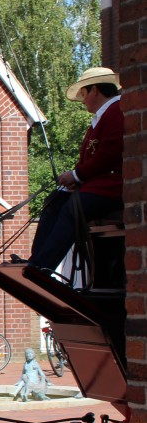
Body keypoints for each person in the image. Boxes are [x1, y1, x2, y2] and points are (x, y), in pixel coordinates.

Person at [27, 66, 124, 272]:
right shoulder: (101, 118)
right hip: (97, 184)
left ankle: (45, 265)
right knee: (55, 200)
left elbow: (109, 154)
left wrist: (77, 176)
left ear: (94, 90)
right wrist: (74, 179)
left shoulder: (117, 112)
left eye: (84, 93)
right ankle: (37, 260)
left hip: (113, 185)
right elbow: (91, 158)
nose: (84, 99)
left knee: (73, 207)